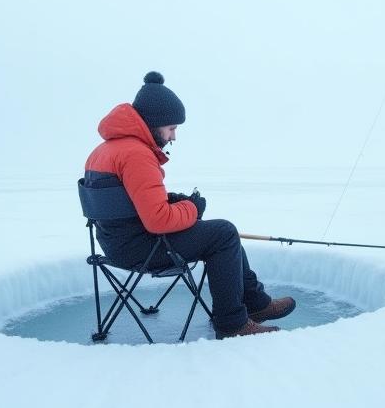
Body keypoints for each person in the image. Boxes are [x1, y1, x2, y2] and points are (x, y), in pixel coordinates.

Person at [83, 71, 296, 339]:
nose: (174, 136)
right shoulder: (137, 154)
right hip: (143, 248)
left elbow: (128, 203)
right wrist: (193, 208)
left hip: (118, 244)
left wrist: (173, 200)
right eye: (171, 128)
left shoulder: (104, 151)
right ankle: (232, 324)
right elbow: (158, 220)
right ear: (152, 123)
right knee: (224, 233)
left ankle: (256, 304)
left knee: (221, 233)